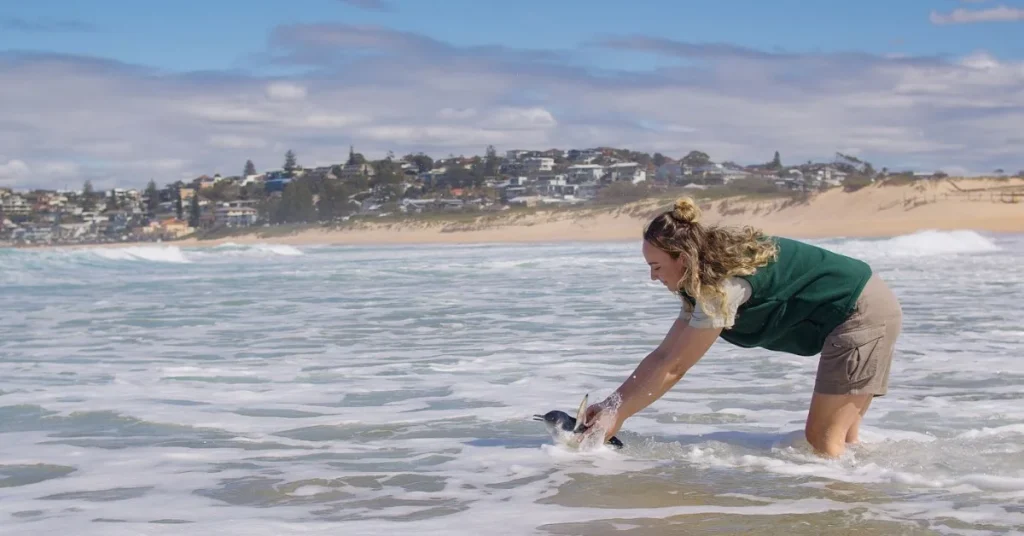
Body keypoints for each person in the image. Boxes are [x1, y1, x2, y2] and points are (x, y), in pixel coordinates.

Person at [582, 196, 903, 458]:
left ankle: (843, 508)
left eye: (656, 266)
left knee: (822, 440)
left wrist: (618, 415)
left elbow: (675, 366)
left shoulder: (721, 287)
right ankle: (877, 487)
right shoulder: (703, 276)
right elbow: (664, 354)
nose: (653, 277)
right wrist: (612, 405)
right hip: (865, 305)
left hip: (860, 311)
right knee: (844, 441)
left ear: (682, 257)